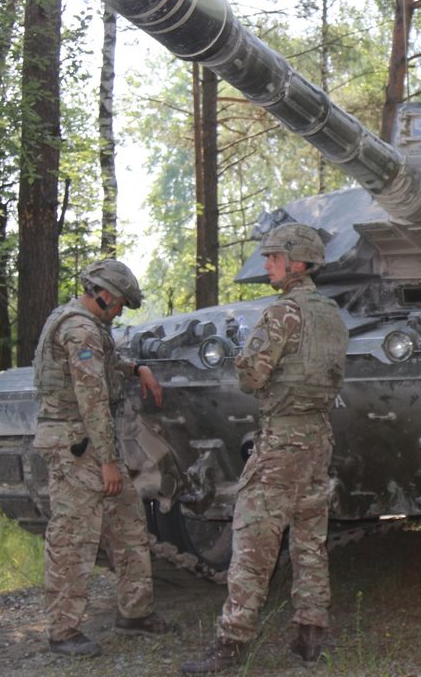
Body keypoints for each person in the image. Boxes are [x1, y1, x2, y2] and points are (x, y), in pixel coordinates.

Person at [182, 224, 348, 673]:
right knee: (310, 541)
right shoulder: (331, 314)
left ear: (297, 263)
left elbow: (251, 376)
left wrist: (244, 356)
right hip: (318, 438)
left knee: (253, 543)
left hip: (281, 443)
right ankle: (311, 636)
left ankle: (230, 644)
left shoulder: (283, 313)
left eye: (274, 257)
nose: (267, 264)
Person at [32, 258, 174, 656]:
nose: (121, 312)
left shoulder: (79, 322)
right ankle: (63, 632)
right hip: (77, 446)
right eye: (122, 305)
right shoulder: (80, 330)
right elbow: (92, 400)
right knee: (72, 537)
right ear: (105, 295)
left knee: (128, 522)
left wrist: (138, 368)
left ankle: (134, 612)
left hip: (89, 442)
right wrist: (109, 461)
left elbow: (105, 366)